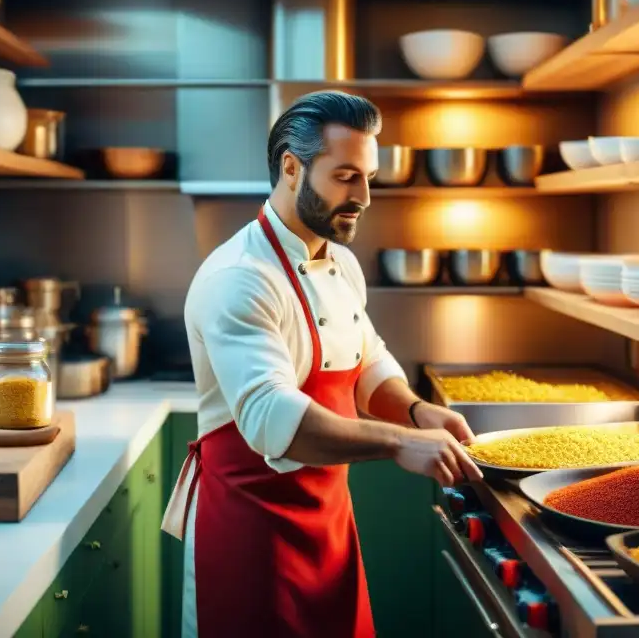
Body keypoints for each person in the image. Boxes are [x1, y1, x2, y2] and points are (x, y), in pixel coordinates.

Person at [161, 90, 483, 637]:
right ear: (292, 167)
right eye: (345, 176)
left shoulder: (341, 264)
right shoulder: (240, 277)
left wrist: (414, 412)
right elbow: (271, 417)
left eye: (369, 177)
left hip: (328, 522)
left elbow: (367, 362)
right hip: (250, 536)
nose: (364, 196)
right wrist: (397, 442)